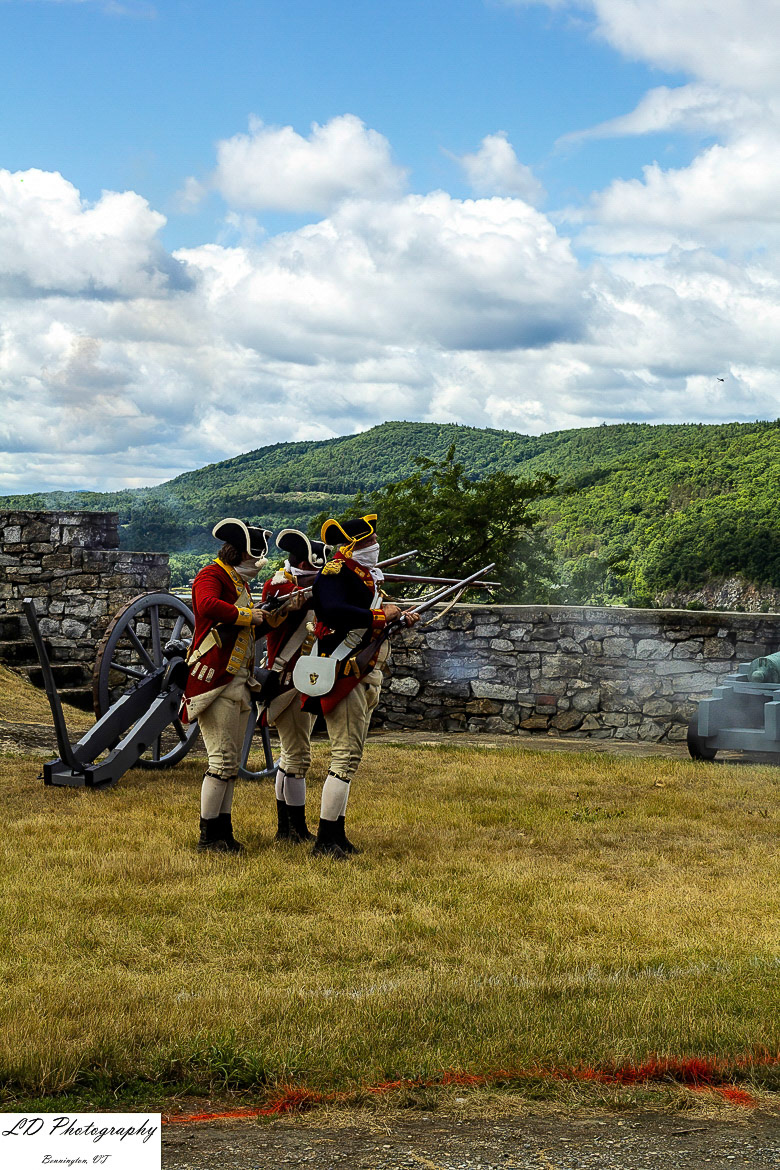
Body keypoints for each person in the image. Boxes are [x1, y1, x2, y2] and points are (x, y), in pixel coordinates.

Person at [308, 514, 420, 859]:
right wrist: (379, 615)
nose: (375, 547)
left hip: (364, 670)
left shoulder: (363, 577)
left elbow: (368, 621)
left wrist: (396, 619)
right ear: (355, 545)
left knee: (350, 757)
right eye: (370, 543)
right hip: (345, 670)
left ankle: (336, 835)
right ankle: (326, 839)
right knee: (343, 756)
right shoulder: (335, 573)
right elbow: (332, 610)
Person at [181, 517, 271, 853]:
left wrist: (270, 617)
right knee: (220, 763)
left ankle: (224, 832)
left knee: (231, 763)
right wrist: (250, 615)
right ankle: (208, 837)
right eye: (253, 558)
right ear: (240, 554)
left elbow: (242, 633)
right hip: (213, 679)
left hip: (239, 679)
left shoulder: (239, 583)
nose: (256, 565)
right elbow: (206, 606)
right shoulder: (211, 575)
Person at [261, 528, 329, 843]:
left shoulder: (307, 587)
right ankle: (295, 830)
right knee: (298, 756)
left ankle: (286, 828)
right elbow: (276, 605)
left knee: (289, 756)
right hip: (288, 681)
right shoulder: (279, 586)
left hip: (303, 677)